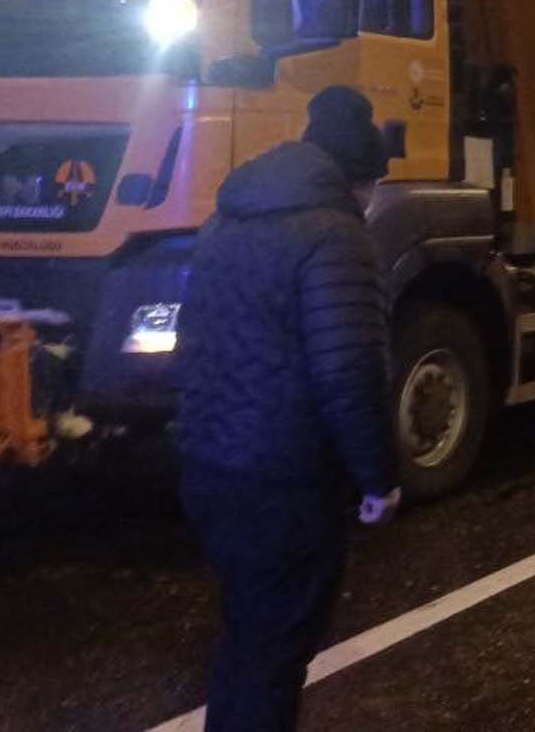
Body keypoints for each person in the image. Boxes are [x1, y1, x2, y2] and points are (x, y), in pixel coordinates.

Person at [174, 85, 400, 732]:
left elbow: (194, 338)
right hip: (285, 482)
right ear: (360, 180)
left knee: (248, 637)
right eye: (375, 184)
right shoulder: (336, 236)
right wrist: (377, 480)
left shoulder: (226, 220)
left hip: (209, 465)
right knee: (274, 654)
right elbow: (350, 371)